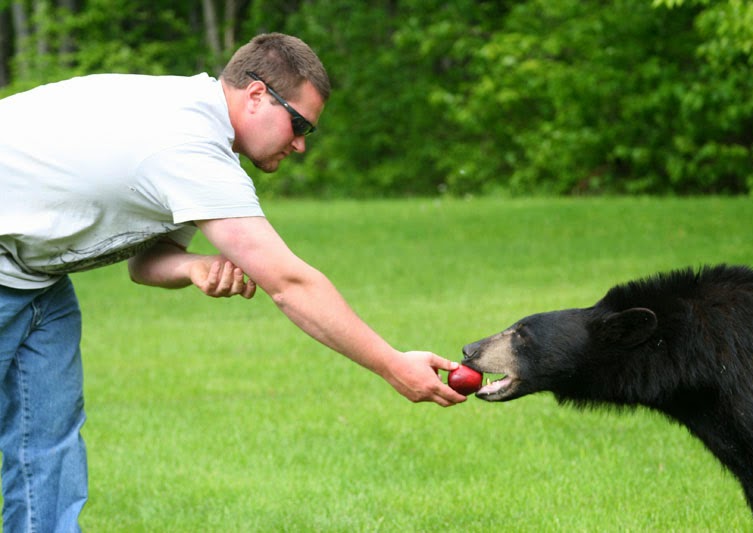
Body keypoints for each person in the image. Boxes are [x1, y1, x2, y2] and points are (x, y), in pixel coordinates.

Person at [0, 32, 467, 532]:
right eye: (300, 123)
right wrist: (392, 364)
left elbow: (146, 264)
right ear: (258, 95)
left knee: (48, 448)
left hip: (36, 277)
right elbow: (289, 283)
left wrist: (192, 267)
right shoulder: (188, 147)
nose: (302, 144)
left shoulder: (192, 126)